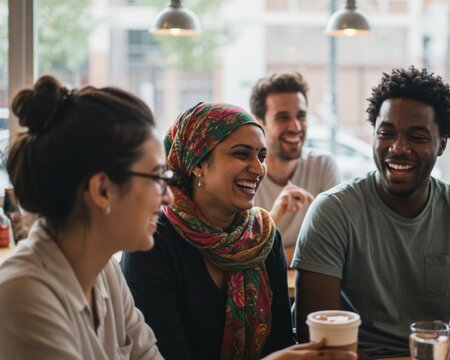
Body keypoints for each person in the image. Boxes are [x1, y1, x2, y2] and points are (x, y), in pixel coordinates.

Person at [292, 66, 450, 359]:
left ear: (441, 144)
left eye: (417, 137)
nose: (398, 148)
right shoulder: (333, 211)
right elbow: (317, 337)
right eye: (386, 133)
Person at [0, 75, 167, 359]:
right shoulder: (22, 296)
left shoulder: (105, 271)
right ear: (102, 190)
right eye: (157, 177)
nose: (168, 197)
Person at [121, 102, 296, 359]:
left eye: (260, 156)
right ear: (197, 164)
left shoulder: (263, 237)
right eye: (241, 154)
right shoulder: (152, 242)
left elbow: (282, 343)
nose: (258, 169)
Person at [250, 72, 341, 265]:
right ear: (259, 123)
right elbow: (242, 254)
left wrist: (272, 254)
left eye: (301, 116)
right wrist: (273, 217)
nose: (295, 126)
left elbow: (334, 248)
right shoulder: (246, 175)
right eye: (282, 118)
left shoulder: (323, 166)